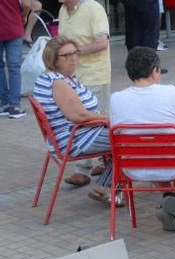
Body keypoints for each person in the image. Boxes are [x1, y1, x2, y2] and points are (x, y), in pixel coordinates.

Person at [109, 47, 175, 231]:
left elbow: (116, 133)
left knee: (152, 153)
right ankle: (174, 200)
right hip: (174, 164)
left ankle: (169, 200)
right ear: (154, 70)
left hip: (134, 168)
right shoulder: (171, 92)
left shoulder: (116, 98)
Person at [33, 37, 115, 202]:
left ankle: (107, 184)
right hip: (74, 139)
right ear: (53, 60)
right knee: (129, 140)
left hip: (74, 135)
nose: (73, 59)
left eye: (75, 53)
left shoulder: (56, 76)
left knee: (125, 134)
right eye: (67, 55)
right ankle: (105, 187)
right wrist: (109, 119)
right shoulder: (58, 82)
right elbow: (78, 116)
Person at [54, 0, 112, 113]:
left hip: (94, 78)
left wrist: (72, 53)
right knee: (77, 122)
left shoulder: (94, 9)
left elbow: (102, 43)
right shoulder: (63, 9)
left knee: (96, 123)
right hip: (71, 78)